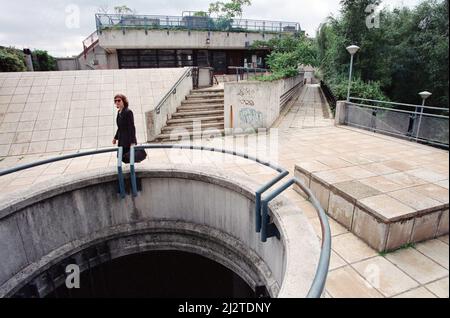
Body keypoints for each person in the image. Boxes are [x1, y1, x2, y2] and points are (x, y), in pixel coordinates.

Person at [112, 94, 137, 160]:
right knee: (120, 157)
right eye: (115, 101)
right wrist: (115, 138)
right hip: (121, 140)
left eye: (119, 100)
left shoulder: (128, 112)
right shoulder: (119, 112)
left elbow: (132, 128)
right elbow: (120, 127)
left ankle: (131, 169)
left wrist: (132, 142)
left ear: (124, 101)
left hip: (128, 140)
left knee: (128, 158)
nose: (117, 102)